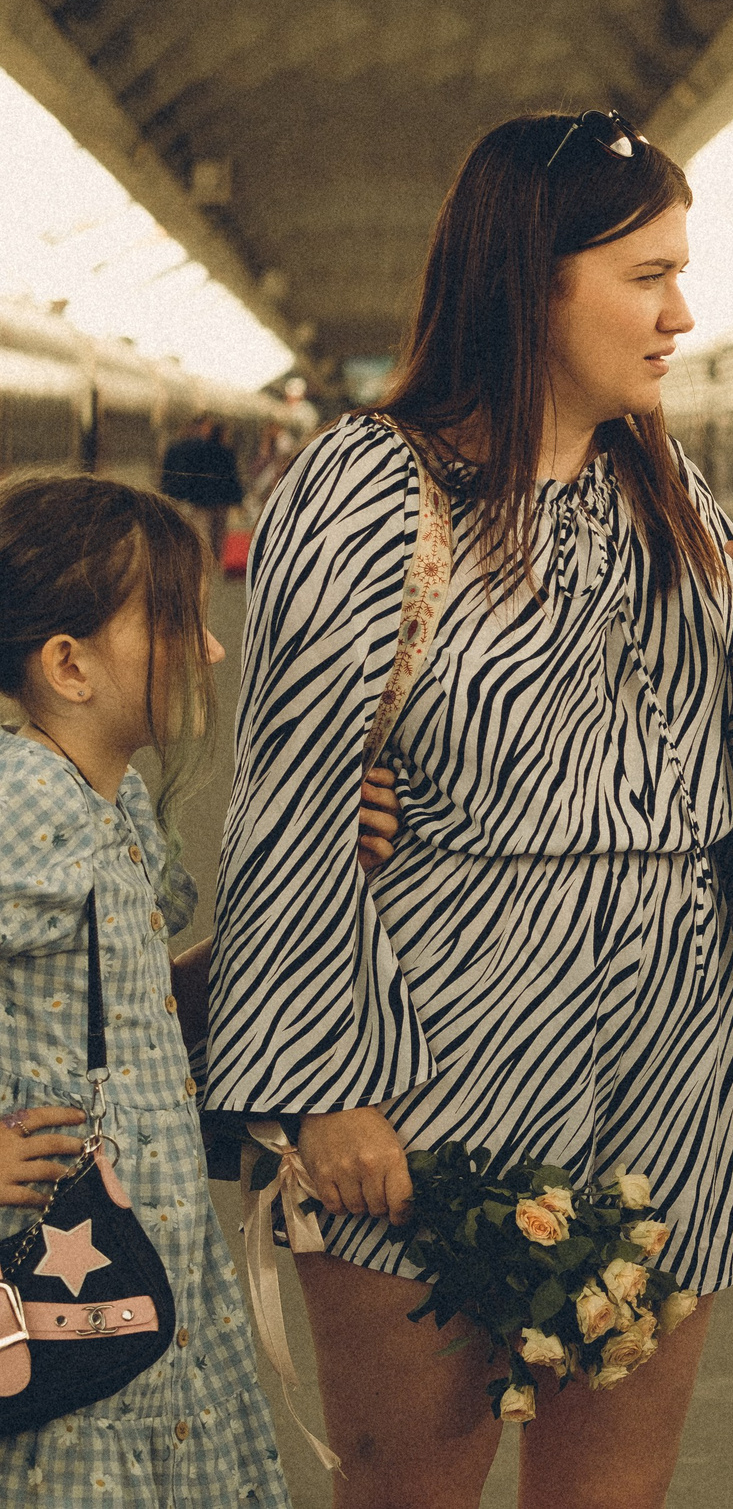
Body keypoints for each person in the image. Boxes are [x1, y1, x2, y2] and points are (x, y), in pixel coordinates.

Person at [201, 109, 733, 1509]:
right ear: (531, 277)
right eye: (647, 275)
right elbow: (296, 797)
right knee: (412, 1489)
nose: (683, 312)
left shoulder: (663, 484)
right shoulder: (372, 485)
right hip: (434, 1063)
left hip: (673, 1063)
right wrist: (323, 1086)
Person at [0, 474, 289, 1503]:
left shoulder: (101, 799)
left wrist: (323, 873)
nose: (211, 651)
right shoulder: (27, 802)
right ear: (69, 664)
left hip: (131, 1307)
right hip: (69, 1334)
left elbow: (134, 1006)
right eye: (176, 625)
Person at [159, 415, 244, 572]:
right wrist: (238, 499)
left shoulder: (196, 449)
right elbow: (233, 477)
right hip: (220, 500)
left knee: (200, 529)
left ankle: (200, 559)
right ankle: (215, 561)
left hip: (199, 498)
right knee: (218, 531)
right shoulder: (226, 451)